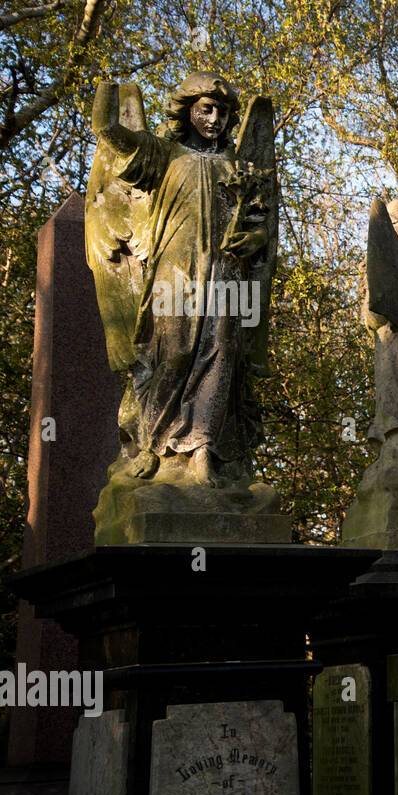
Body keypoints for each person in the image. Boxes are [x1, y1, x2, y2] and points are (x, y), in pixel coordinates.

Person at [91, 71, 272, 487]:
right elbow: (108, 129)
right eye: (206, 109)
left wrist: (256, 234)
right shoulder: (162, 154)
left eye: (223, 112)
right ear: (187, 110)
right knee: (174, 353)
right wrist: (105, 83)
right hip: (176, 271)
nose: (215, 119)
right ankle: (152, 443)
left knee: (223, 352)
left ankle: (202, 450)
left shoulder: (236, 166)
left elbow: (262, 222)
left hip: (226, 273)